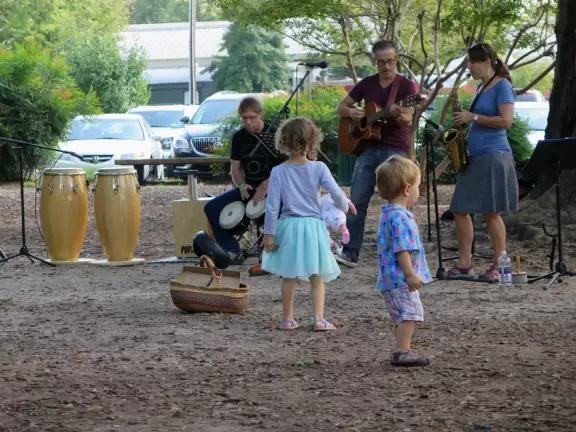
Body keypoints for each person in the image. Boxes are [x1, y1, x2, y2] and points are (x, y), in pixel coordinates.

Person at [261, 117, 356, 331]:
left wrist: (269, 234)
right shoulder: (319, 168)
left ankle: (287, 318)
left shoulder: (278, 171)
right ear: (312, 141)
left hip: (289, 225)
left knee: (288, 274)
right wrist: (344, 205)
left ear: (283, 142)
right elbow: (337, 194)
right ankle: (319, 319)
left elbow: (272, 206)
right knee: (317, 274)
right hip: (313, 226)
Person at [335, 40, 418, 267]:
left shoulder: (407, 87)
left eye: (390, 61)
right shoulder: (367, 84)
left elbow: (408, 117)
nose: (386, 66)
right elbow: (341, 107)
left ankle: (401, 254)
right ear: (375, 61)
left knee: (398, 202)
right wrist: (352, 113)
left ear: (396, 59)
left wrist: (399, 115)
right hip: (368, 149)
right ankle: (350, 252)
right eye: (381, 62)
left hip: (395, 149)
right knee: (357, 200)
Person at [447, 42, 517, 282]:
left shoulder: (503, 86)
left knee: (491, 213)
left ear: (486, 62)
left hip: (494, 156)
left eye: (472, 62)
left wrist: (472, 116)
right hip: (477, 156)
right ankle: (465, 264)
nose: (469, 66)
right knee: (459, 208)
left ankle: (500, 264)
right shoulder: (482, 87)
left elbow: (506, 121)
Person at [203, 97, 285, 264]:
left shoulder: (274, 133)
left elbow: (285, 167)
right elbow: (235, 167)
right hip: (248, 188)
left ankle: (268, 249)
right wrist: (241, 185)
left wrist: (265, 185)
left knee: (282, 210)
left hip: (274, 188)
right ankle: (232, 249)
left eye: (252, 117)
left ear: (260, 115)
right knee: (211, 207)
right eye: (244, 118)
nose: (248, 122)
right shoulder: (239, 137)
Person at [375, 155, 432, 367]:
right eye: (418, 186)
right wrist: (410, 274)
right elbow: (402, 250)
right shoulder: (401, 218)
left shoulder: (388, 214)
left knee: (402, 315)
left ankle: (403, 346)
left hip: (389, 278)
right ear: (407, 189)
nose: (419, 190)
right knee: (410, 313)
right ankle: (402, 351)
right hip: (400, 279)